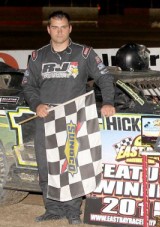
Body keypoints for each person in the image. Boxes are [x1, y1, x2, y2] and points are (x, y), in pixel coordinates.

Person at [22, 11, 116, 225]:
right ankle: (52, 209)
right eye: (55, 27)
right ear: (48, 29)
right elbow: (28, 85)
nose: (59, 31)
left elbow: (105, 77)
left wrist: (109, 101)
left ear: (70, 28)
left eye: (63, 27)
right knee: (46, 166)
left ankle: (73, 211)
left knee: (71, 164)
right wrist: (36, 104)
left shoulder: (84, 53)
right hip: (45, 120)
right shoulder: (38, 56)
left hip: (74, 118)